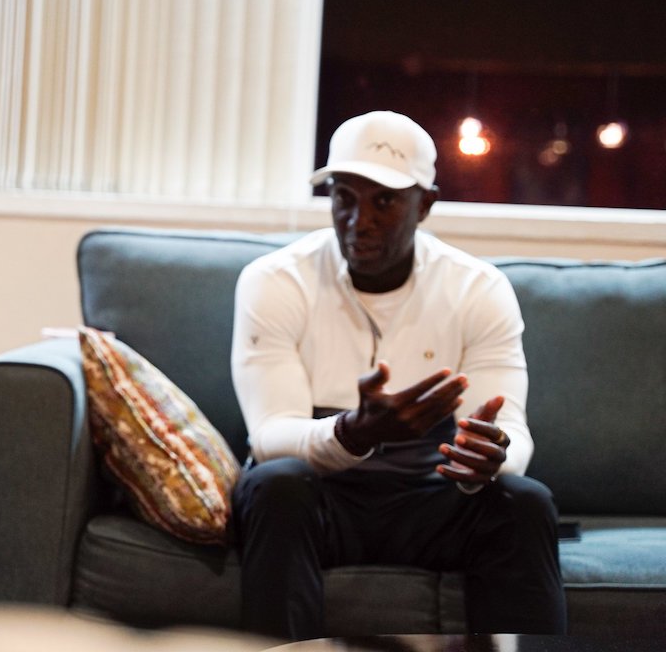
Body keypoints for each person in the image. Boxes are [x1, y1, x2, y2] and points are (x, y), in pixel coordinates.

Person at [230, 110, 566, 640]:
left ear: (425, 204)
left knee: (525, 502)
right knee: (274, 486)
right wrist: (352, 432)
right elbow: (270, 435)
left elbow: (513, 434)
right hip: (322, 495)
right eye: (344, 196)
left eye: (384, 201)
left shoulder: (478, 289)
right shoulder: (274, 282)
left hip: (432, 494)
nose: (358, 220)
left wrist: (491, 458)